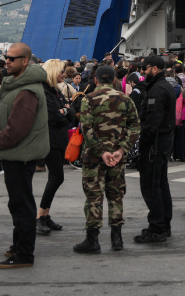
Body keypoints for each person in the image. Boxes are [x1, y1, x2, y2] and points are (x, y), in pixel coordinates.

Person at [0, 43, 50, 269]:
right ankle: (19, 245)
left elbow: (17, 130)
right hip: (17, 153)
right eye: (6, 57)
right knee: (19, 203)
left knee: (22, 205)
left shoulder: (27, 91)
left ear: (25, 61)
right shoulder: (17, 84)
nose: (7, 61)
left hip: (20, 155)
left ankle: (24, 254)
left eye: (12, 58)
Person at [73, 65, 140, 253]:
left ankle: (92, 240)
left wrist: (102, 151)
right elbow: (135, 127)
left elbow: (87, 129)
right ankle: (117, 238)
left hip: (94, 156)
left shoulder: (89, 99)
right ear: (114, 80)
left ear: (95, 80)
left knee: (94, 196)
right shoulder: (126, 99)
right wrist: (121, 149)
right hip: (118, 157)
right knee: (116, 194)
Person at [134, 55, 175, 242]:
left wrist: (142, 142)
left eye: (146, 68)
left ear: (155, 69)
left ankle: (157, 228)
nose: (143, 71)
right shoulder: (162, 86)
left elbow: (152, 120)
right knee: (160, 183)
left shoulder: (157, 89)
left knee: (151, 185)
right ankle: (164, 224)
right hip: (162, 141)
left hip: (155, 143)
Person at [36, 59, 74, 235]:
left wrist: (65, 111)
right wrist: (65, 110)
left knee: (54, 177)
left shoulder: (55, 91)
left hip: (58, 139)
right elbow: (55, 117)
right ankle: (40, 216)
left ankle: (45, 215)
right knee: (57, 178)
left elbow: (70, 114)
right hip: (50, 141)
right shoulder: (45, 92)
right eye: (61, 71)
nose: (64, 74)